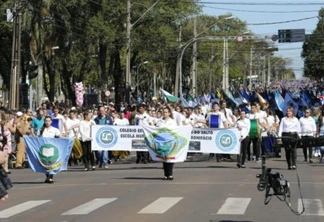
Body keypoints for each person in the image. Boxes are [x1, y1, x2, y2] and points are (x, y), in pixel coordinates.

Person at [155, 106, 178, 180]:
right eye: (163, 112)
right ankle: (166, 174)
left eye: (166, 112)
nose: (164, 114)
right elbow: (156, 131)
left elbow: (175, 131)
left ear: (169, 113)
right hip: (162, 142)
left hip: (170, 141)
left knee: (170, 157)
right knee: (164, 158)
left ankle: (170, 174)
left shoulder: (172, 122)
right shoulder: (159, 122)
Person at [39, 116, 63, 183]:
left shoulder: (55, 130)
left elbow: (60, 137)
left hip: (52, 148)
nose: (47, 122)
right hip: (44, 148)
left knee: (52, 163)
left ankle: (51, 177)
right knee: (45, 163)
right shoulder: (41, 130)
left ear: (51, 121)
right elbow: (38, 138)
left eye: (49, 121)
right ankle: (47, 176)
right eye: (46, 121)